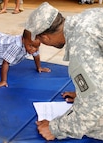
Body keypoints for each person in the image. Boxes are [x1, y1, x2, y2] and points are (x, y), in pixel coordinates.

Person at [25, 2, 103, 141]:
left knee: (94, 124)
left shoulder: (80, 44)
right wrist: (83, 93)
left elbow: (94, 104)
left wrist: (55, 128)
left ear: (45, 37)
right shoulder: (86, 17)